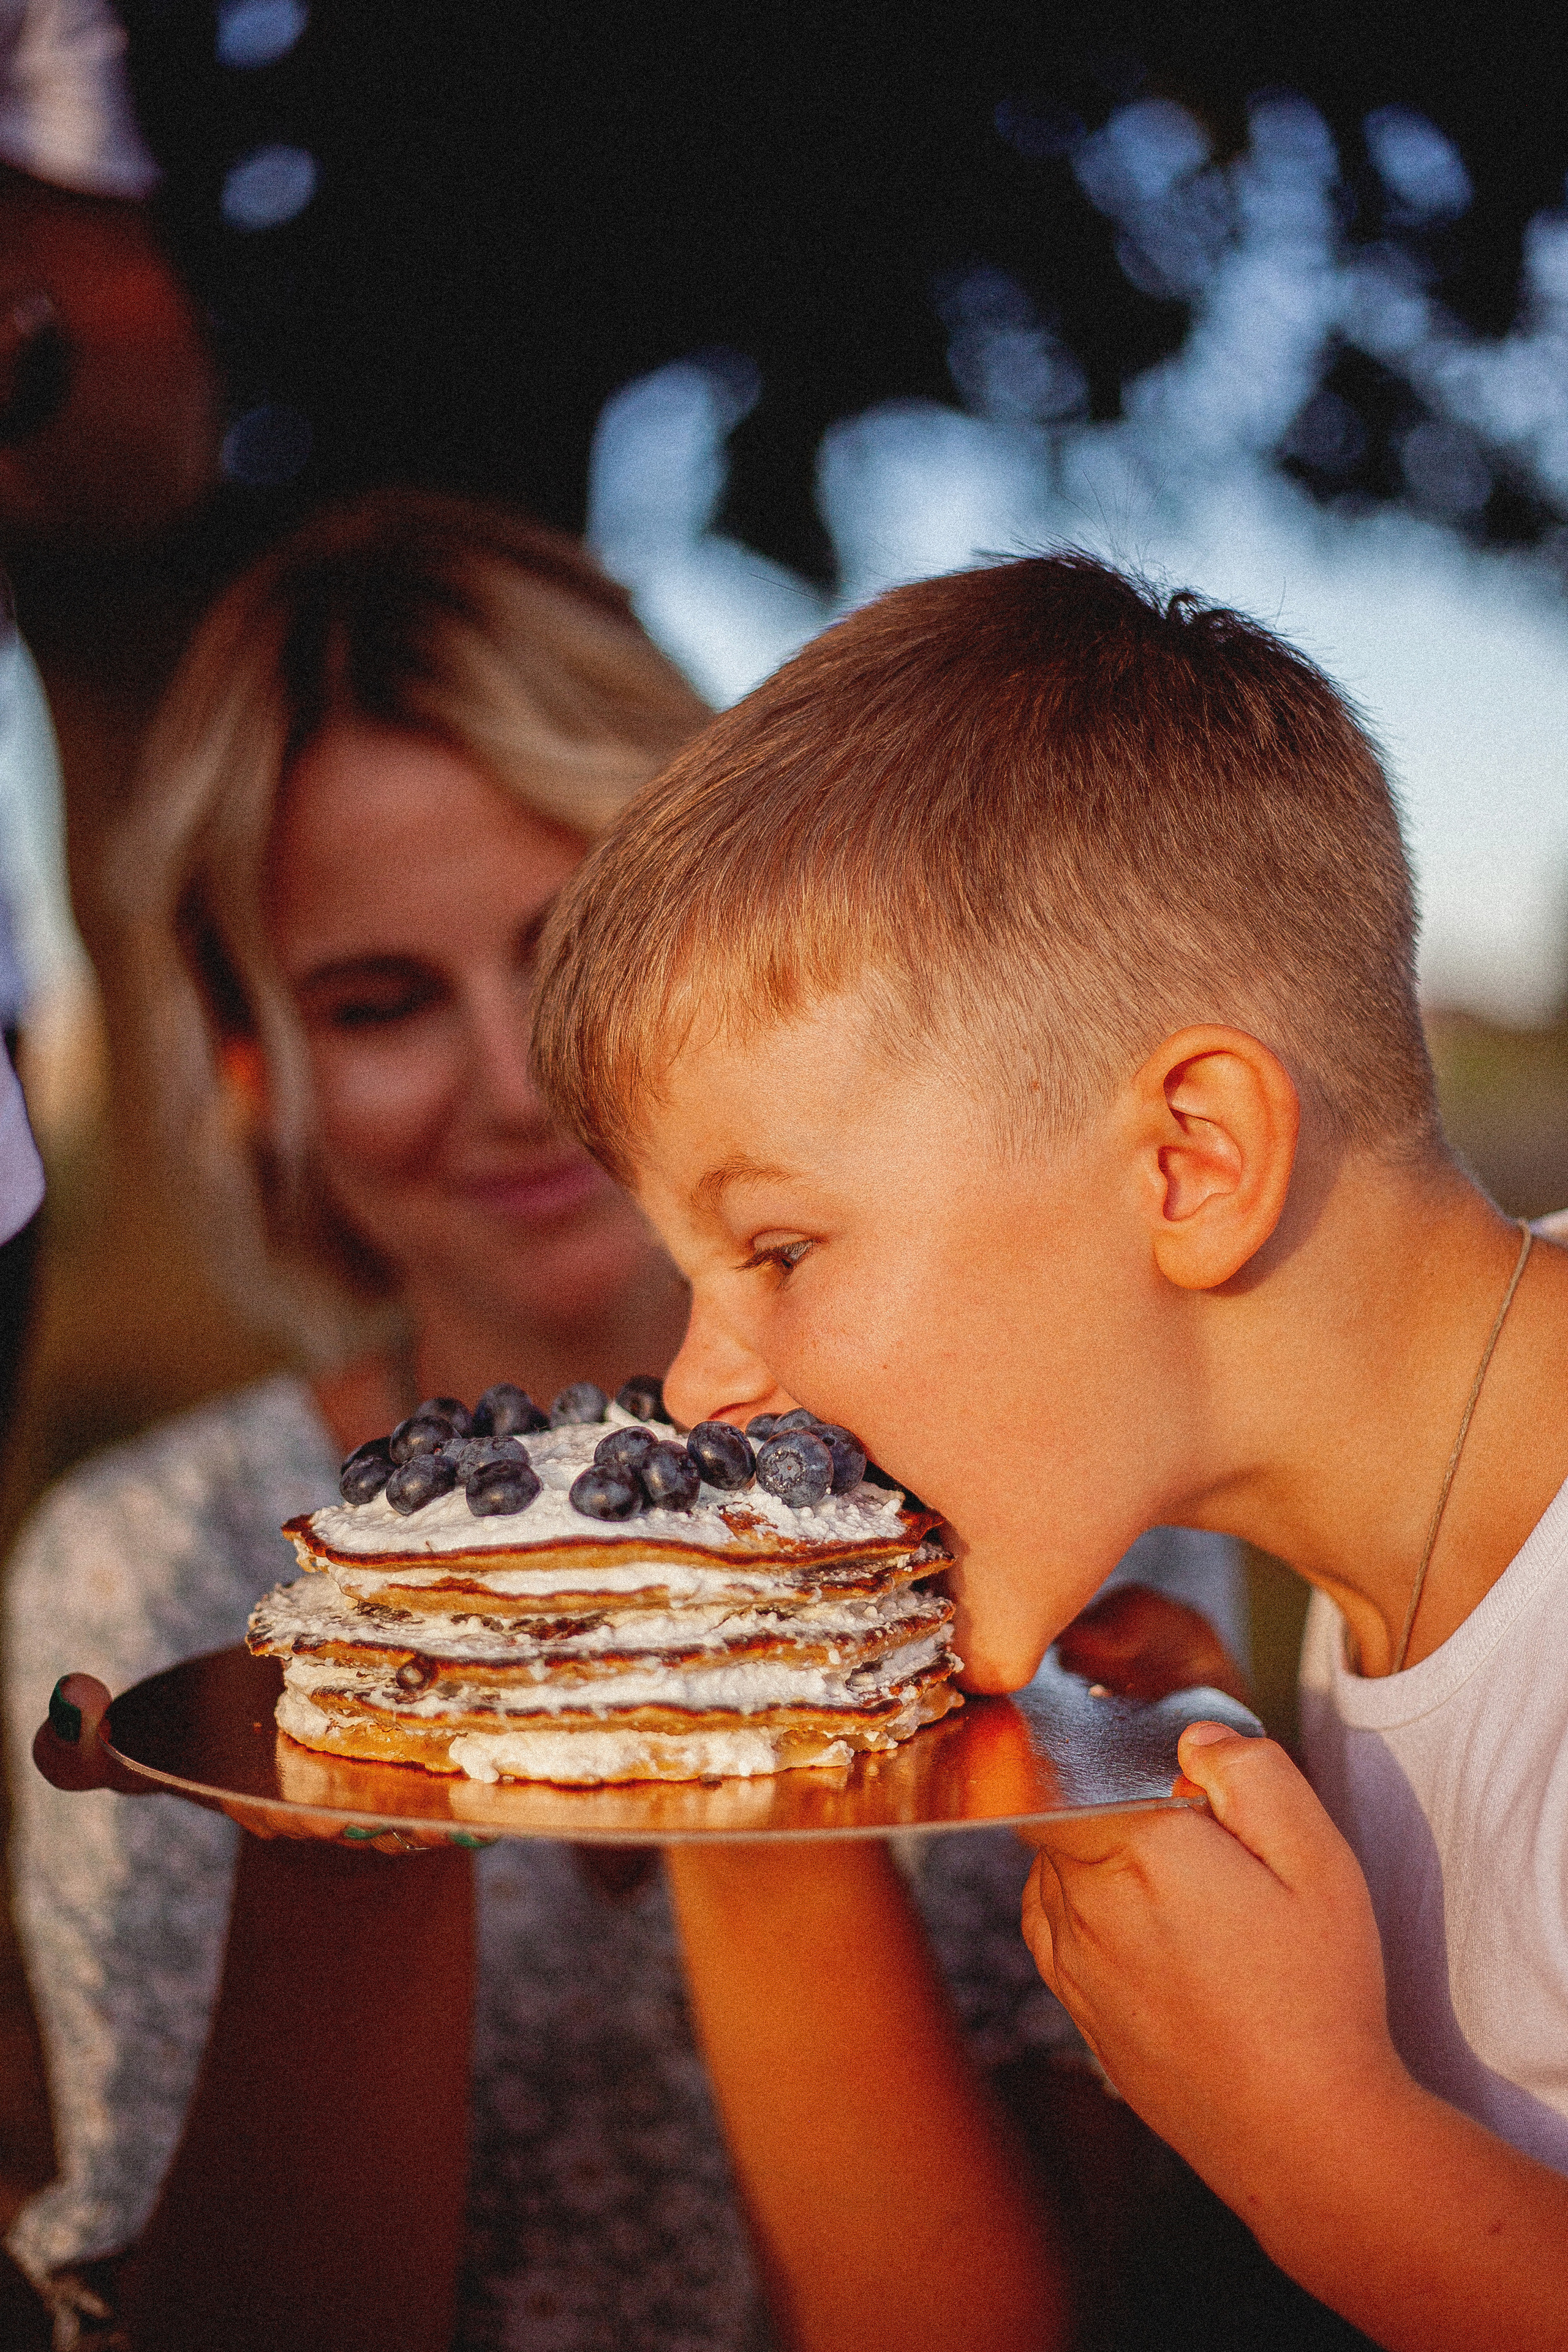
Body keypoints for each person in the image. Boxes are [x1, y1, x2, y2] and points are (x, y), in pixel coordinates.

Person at [11, 502, 1248, 2352]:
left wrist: (732, 1662)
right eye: (379, 1002)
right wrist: (385, 1715)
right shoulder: (150, 1562)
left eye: (583, 946)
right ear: (255, 1066)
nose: (521, 1083)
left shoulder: (1048, 1499)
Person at [528, 549, 1568, 2351]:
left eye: (777, 1249)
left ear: (1190, 1162)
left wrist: (1326, 2156)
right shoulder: (1386, 1555)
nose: (699, 1391)